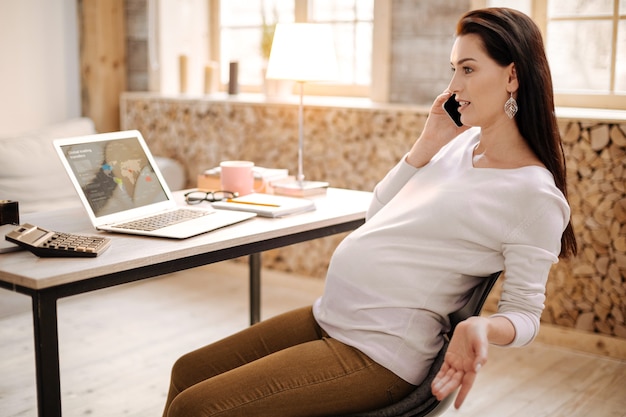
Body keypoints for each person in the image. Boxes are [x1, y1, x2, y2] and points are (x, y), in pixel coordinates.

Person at [162, 7, 577, 417]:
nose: (453, 86)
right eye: (453, 69)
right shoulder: (462, 147)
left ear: (512, 76)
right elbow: (377, 212)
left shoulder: (533, 195)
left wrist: (482, 327)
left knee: (196, 409)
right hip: (332, 316)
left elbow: (524, 314)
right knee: (186, 372)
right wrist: (426, 144)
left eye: (468, 69)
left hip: (379, 352)